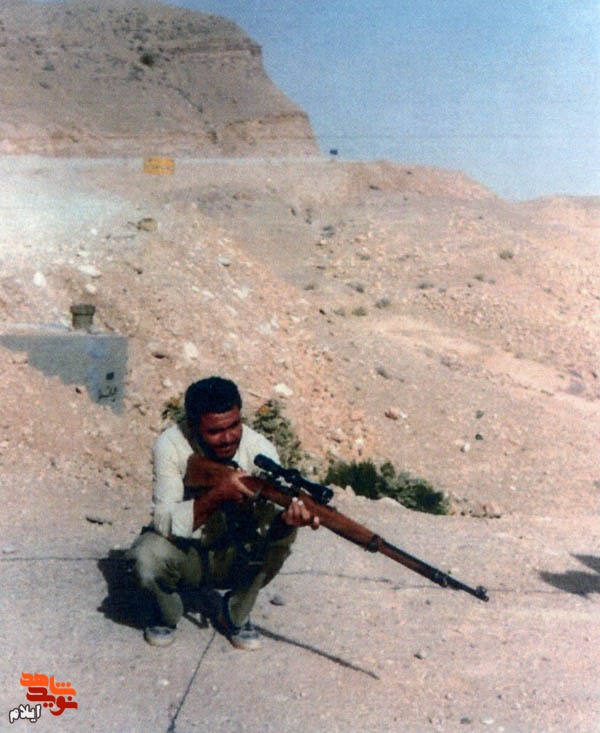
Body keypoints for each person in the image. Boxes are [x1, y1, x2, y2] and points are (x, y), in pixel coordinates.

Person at [126, 376, 319, 651]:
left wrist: (287, 522)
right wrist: (218, 495)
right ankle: (166, 613)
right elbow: (163, 521)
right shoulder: (170, 445)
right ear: (193, 426)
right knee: (144, 558)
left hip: (232, 554)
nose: (228, 438)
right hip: (186, 552)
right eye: (215, 431)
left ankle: (234, 614)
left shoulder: (259, 448)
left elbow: (271, 520)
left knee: (284, 535)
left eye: (234, 425)